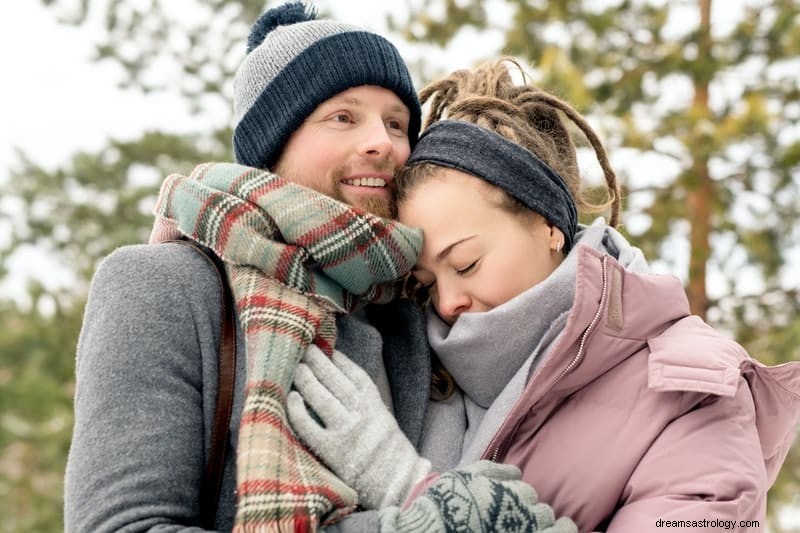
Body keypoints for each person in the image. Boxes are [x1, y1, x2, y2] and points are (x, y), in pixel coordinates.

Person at [64, 2, 578, 531]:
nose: (383, 142)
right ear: (274, 142)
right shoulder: (163, 288)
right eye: (343, 117)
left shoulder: (412, 306)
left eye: (396, 123)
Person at [287, 59, 800, 532]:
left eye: (466, 263)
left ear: (546, 224)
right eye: (426, 286)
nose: (447, 305)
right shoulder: (413, 364)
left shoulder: (692, 399)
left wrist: (408, 486)